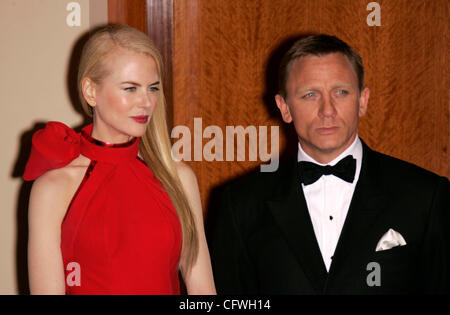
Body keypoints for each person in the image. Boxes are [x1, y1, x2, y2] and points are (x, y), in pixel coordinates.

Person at [207, 34, 449, 294]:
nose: (327, 110)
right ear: (285, 107)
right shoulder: (241, 203)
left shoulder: (426, 195)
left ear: (363, 100)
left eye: (341, 92)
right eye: (310, 95)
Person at [23, 24, 216, 295]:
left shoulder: (179, 179)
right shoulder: (54, 186)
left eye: (152, 88)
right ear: (90, 91)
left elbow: (203, 292)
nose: (146, 102)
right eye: (130, 88)